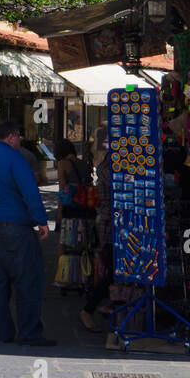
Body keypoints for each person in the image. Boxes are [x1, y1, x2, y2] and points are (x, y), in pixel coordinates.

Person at [0, 119, 54, 346]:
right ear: (12, 136)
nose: (20, 140)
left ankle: (2, 332)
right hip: (16, 227)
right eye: (19, 136)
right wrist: (41, 220)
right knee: (27, 280)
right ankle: (29, 332)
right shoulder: (15, 158)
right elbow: (29, 191)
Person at [79, 128, 111, 333]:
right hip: (111, 225)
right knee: (116, 269)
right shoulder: (109, 171)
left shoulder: (104, 168)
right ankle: (89, 309)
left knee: (117, 269)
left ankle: (112, 305)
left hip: (108, 222)